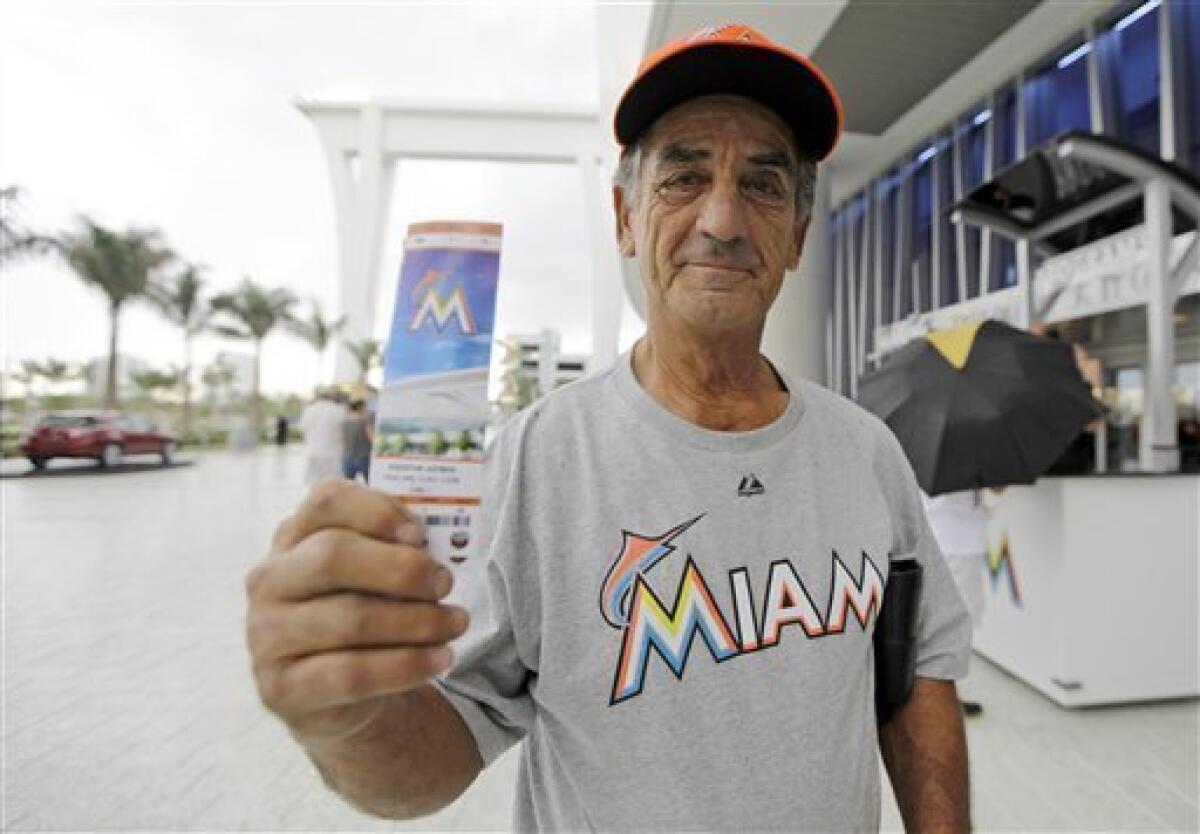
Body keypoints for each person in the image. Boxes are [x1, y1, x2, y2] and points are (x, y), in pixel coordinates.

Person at [245, 24, 972, 832]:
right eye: (683, 178)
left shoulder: (864, 453)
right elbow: (439, 749)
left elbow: (918, 678)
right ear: (625, 217)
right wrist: (344, 719)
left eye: (765, 186)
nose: (723, 220)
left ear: (798, 235)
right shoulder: (537, 458)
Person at [923, 489, 990, 717]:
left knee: (958, 625)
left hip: (961, 541)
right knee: (954, 626)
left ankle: (947, 696)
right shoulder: (962, 462)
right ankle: (944, 698)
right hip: (954, 542)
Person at [298, 387, 344, 484]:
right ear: (332, 397)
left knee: (314, 483)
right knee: (333, 483)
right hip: (332, 454)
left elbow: (303, 430)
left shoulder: (309, 410)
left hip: (312, 452)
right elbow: (342, 433)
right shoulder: (339, 411)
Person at [340, 399, 374, 483]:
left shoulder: (344, 423)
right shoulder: (364, 423)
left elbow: (341, 440)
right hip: (363, 458)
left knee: (348, 486)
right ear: (360, 408)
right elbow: (372, 439)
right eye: (365, 408)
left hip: (347, 458)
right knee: (370, 484)